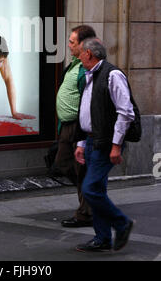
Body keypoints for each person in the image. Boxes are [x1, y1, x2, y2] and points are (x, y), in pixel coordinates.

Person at [74, 37, 135, 253]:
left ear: (88, 54)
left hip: (106, 142)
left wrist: (116, 145)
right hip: (91, 140)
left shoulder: (112, 74)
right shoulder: (90, 75)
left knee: (90, 189)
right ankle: (102, 238)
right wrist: (81, 142)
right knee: (97, 189)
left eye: (80, 52)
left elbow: (125, 112)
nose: (78, 56)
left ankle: (121, 223)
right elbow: (88, 111)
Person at [54, 25, 96, 228]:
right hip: (67, 126)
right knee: (63, 164)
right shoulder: (74, 64)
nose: (68, 45)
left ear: (83, 44)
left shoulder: (88, 69)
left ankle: (87, 213)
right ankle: (92, 199)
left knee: (82, 170)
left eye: (72, 42)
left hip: (79, 128)